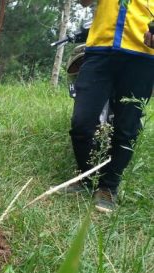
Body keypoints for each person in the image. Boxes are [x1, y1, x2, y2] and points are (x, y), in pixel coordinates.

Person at [68, 0, 153, 212]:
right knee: (82, 122)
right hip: (100, 49)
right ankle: (86, 177)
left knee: (127, 126)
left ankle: (108, 186)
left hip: (142, 54)